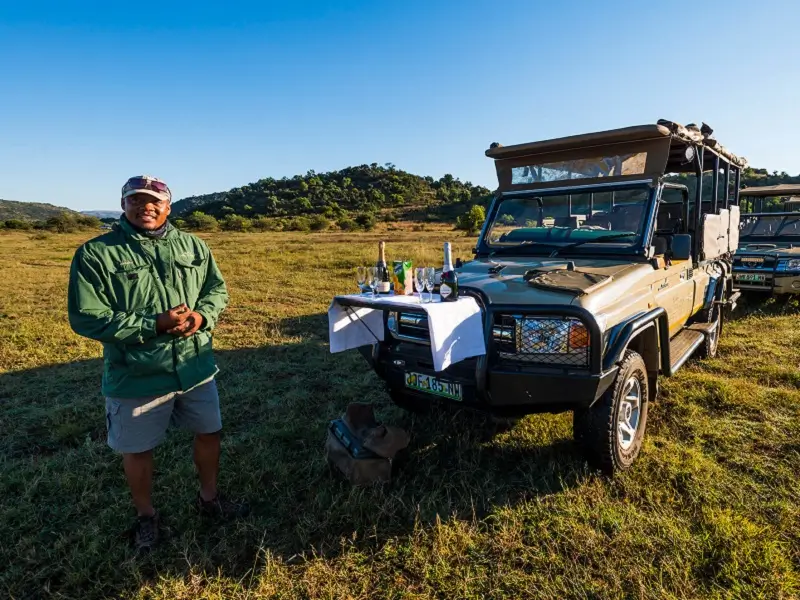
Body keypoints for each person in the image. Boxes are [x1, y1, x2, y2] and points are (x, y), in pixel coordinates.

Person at [68, 175, 248, 552]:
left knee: (210, 432)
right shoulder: (97, 254)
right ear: (123, 205)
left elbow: (217, 290)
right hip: (137, 372)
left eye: (154, 200)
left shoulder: (193, 246)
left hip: (195, 366)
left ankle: (209, 499)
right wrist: (153, 324)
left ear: (168, 206)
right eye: (136, 199)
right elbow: (87, 317)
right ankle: (147, 516)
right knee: (138, 450)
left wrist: (201, 317)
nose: (145, 206)